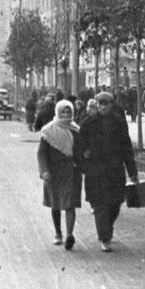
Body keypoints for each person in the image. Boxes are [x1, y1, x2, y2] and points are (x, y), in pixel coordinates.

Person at [78, 92, 139, 252]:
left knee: (115, 204)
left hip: (115, 169)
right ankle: (105, 238)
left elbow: (127, 148)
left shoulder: (119, 123)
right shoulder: (88, 123)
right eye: (101, 104)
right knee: (99, 205)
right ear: (96, 105)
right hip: (95, 171)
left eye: (107, 104)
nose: (104, 107)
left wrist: (132, 171)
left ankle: (107, 228)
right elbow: (79, 146)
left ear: (112, 105)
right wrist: (84, 162)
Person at [37, 100, 82, 251]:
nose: (66, 115)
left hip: (71, 172)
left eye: (69, 112)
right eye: (63, 112)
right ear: (57, 112)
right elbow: (41, 153)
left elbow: (81, 150)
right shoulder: (48, 131)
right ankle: (58, 233)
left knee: (70, 204)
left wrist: (82, 160)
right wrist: (44, 170)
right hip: (53, 172)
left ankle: (69, 235)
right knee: (55, 203)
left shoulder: (76, 130)